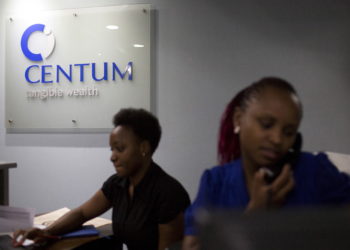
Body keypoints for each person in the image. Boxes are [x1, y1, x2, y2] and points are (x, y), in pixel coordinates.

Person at [182, 77, 350, 250]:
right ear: (238, 119)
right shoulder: (215, 182)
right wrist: (255, 214)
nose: (277, 139)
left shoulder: (315, 170)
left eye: (289, 132)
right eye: (266, 125)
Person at [13, 108, 190, 250]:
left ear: (144, 148)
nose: (112, 157)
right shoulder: (117, 184)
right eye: (111, 149)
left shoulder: (169, 194)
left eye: (119, 149)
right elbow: (82, 213)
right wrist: (45, 232)